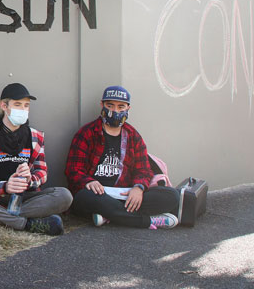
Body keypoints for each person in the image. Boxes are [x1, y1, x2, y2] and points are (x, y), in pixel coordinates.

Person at [0, 83, 73, 235]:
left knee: (64, 196)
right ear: (4, 106)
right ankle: (27, 224)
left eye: (26, 106)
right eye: (17, 105)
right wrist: (5, 187)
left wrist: (29, 179)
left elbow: (42, 173)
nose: (23, 109)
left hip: (25, 197)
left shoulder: (35, 136)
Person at [65, 85, 180, 229]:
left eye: (121, 107)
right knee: (85, 198)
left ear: (128, 108)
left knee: (172, 195)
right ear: (102, 105)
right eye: (110, 105)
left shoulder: (133, 136)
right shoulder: (87, 133)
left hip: (124, 193)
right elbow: (73, 170)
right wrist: (89, 181)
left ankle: (109, 216)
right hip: (96, 194)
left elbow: (144, 170)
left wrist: (138, 188)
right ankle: (148, 221)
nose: (115, 111)